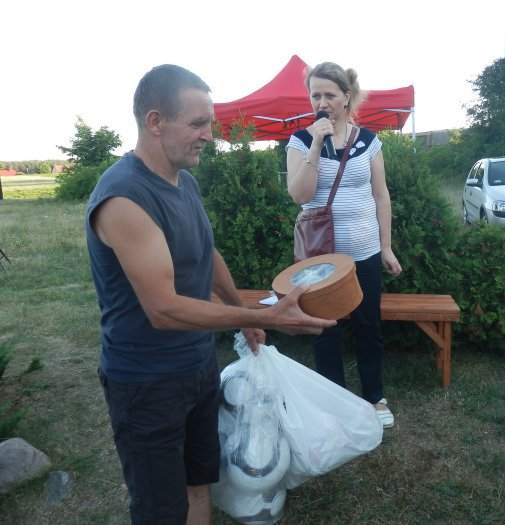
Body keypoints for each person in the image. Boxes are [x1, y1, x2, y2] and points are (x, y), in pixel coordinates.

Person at [85, 64, 335, 525]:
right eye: (197, 124)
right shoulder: (123, 198)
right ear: (155, 121)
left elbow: (207, 251)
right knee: (161, 510)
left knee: (200, 481)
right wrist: (268, 318)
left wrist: (243, 311)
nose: (208, 135)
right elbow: (163, 309)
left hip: (198, 366)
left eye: (210, 124)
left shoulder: (183, 181)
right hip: (146, 383)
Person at [286, 62, 402, 428]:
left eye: (329, 95)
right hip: (320, 257)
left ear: (346, 97)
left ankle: (375, 396)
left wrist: (386, 246)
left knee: (368, 326)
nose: (321, 103)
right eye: (315, 95)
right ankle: (333, 401)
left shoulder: (368, 140)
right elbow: (300, 195)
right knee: (325, 329)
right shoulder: (300, 141)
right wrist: (316, 144)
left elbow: (381, 195)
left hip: (364, 251)